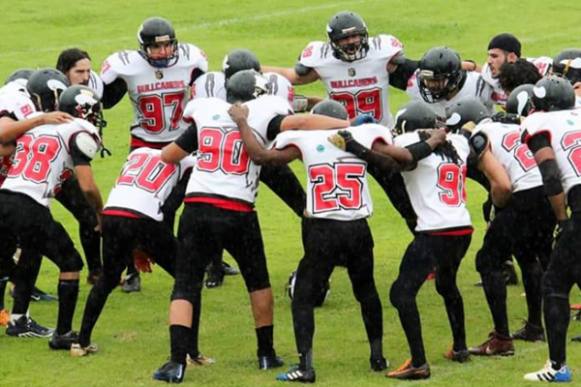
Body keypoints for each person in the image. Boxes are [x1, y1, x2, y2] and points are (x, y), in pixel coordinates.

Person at [152, 70, 351, 383]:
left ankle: (177, 362)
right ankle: (265, 353)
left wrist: (207, 152)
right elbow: (299, 123)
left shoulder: (207, 111)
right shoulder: (265, 112)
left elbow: (168, 155)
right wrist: (348, 124)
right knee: (257, 282)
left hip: (197, 206)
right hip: (238, 209)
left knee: (185, 284)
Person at [230, 99, 423, 382]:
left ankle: (306, 366)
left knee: (303, 299)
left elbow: (260, 157)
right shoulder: (363, 135)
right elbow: (395, 161)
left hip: (323, 230)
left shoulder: (302, 140)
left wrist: (242, 122)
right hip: (357, 228)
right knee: (366, 292)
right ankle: (377, 357)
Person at [341, 100, 509, 379]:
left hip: (435, 230)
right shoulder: (457, 143)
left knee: (401, 293)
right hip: (462, 227)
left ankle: (419, 362)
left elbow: (396, 159)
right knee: (446, 284)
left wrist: (355, 147)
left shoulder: (411, 140)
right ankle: (459, 347)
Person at [263, 11, 418, 231]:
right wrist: (253, 68)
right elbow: (292, 76)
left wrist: (464, 66)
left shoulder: (383, 54)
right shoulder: (321, 59)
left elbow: (417, 68)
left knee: (403, 200)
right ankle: (321, 257)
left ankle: (425, 246)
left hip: (379, 138)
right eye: (344, 38)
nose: (351, 42)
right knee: (329, 203)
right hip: (339, 140)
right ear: (332, 42)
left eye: (355, 36)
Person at [100, 16, 208, 292]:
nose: (163, 52)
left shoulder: (191, 60)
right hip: (145, 145)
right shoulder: (127, 67)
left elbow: (206, 96)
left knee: (197, 200)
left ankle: (210, 259)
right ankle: (131, 267)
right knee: (137, 208)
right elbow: (105, 101)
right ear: (142, 48)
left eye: (167, 45)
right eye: (156, 47)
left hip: (183, 142)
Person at [70, 148, 202, 359]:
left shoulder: (138, 153)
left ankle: (81, 342)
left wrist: (140, 245)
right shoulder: (190, 164)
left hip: (112, 214)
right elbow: (168, 209)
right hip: (143, 218)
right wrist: (151, 245)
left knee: (108, 278)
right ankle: (191, 352)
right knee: (189, 279)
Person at [448, 98, 554, 358]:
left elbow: (503, 186)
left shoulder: (479, 136)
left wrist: (497, 209)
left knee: (487, 261)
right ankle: (534, 326)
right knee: (528, 256)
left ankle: (502, 339)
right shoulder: (514, 126)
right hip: (549, 192)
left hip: (523, 194)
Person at [0, 84, 103, 350]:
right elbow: (88, 185)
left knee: (26, 254)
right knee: (70, 262)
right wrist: (100, 213)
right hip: (29, 204)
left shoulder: (35, 127)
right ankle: (64, 333)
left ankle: (19, 319)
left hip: (4, 197)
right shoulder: (81, 130)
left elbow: (5, 146)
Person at [192, 48, 305, 288]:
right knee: (218, 211)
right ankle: (215, 265)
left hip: (266, 156)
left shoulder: (276, 88)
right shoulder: (208, 88)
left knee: (303, 205)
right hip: (229, 159)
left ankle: (315, 259)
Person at [521, 76, 578, 382]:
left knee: (554, 285)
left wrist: (562, 219)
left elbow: (551, 175)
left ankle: (557, 366)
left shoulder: (539, 123)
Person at [54, 48, 105, 285]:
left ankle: (96, 271)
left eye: (88, 70)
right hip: (39, 173)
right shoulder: (48, 95)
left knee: (87, 215)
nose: (85, 77)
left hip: (59, 171)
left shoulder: (84, 93)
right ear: (64, 73)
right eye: (79, 71)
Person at [406, 46, 494, 118]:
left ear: (453, 79)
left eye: (437, 81)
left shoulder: (478, 86)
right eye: (428, 80)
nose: (431, 86)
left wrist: (474, 66)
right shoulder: (415, 87)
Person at [478, 33, 552, 107]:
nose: (489, 61)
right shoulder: (489, 73)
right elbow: (479, 70)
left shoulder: (543, 68)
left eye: (494, 56)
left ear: (512, 57)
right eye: (489, 56)